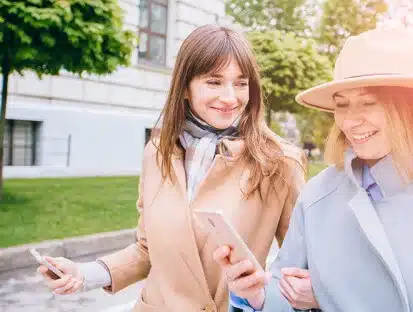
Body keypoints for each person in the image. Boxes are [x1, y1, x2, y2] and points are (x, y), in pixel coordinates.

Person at [215, 26, 413, 311]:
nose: (350, 121)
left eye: (368, 102)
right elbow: (283, 289)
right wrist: (256, 295)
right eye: (342, 105)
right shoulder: (318, 194)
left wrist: (329, 296)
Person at [36, 24, 306, 311]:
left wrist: (260, 295)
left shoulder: (280, 162)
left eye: (241, 83)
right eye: (214, 82)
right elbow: (148, 250)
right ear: (185, 88)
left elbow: (299, 269)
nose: (230, 98)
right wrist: (84, 274)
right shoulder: (157, 152)